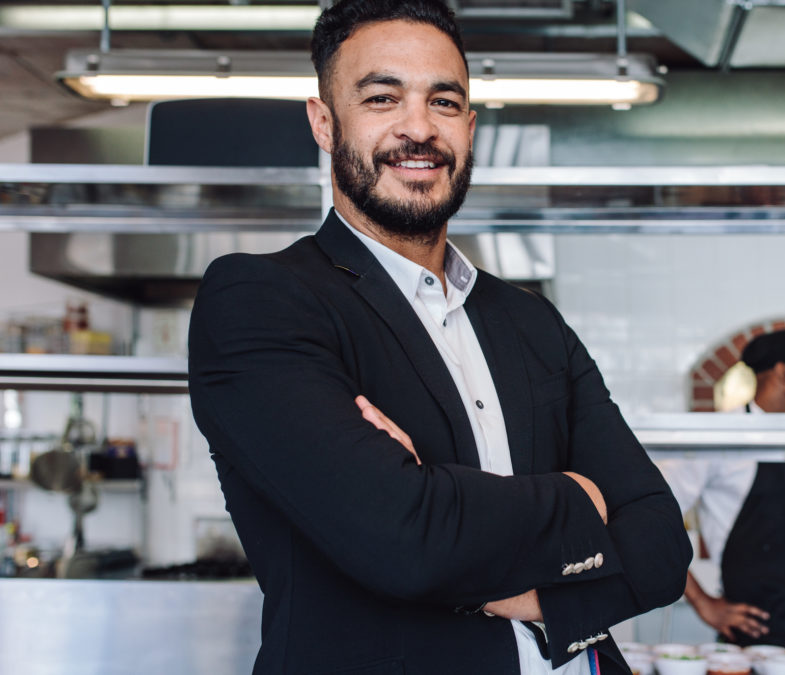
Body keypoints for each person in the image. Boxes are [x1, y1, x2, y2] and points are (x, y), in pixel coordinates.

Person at [186, 1, 692, 673]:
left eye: (444, 103)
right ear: (324, 122)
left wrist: (499, 568)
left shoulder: (530, 320)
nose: (418, 128)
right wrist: (586, 498)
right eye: (382, 98)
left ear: (471, 128)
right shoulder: (263, 300)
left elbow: (661, 546)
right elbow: (406, 537)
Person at [662, 329, 785, 660]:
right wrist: (704, 603)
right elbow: (650, 516)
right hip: (753, 630)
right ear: (783, 372)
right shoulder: (719, 436)